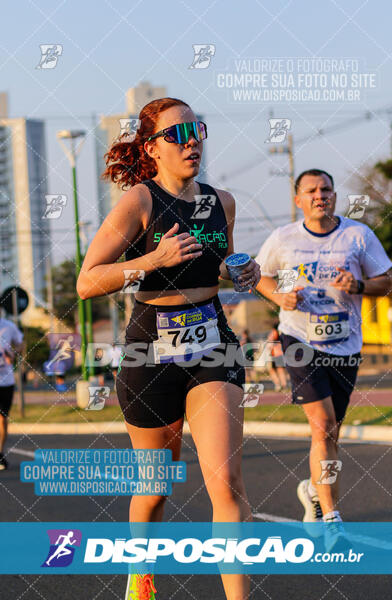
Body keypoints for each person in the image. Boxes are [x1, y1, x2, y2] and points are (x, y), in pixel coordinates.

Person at [77, 97, 260, 600]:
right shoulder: (139, 200)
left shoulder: (222, 202)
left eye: (196, 130)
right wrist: (153, 258)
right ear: (152, 148)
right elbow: (87, 281)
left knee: (225, 484)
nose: (192, 141)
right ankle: (142, 577)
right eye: (177, 134)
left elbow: (217, 265)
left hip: (212, 346)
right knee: (155, 488)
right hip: (149, 353)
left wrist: (241, 271)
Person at [255, 168, 392, 549]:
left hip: (345, 344)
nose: (320, 195)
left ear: (334, 196)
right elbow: (258, 275)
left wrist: (360, 285)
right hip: (299, 339)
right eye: (311, 190)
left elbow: (386, 281)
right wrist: (280, 296)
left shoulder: (357, 236)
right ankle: (331, 517)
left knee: (332, 432)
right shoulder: (283, 238)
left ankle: (315, 491)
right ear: (298, 199)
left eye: (327, 189)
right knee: (322, 423)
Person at [0, 315, 24, 470]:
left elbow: (20, 345)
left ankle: (0, 453)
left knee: (2, 419)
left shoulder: (9, 326)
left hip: (6, 381)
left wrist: (13, 353)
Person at [265, 324, 288, 391]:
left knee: (279, 370)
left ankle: (282, 385)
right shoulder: (282, 333)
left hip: (277, 355)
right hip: (276, 355)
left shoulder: (276, 333)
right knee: (276, 370)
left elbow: (270, 344)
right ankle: (280, 385)